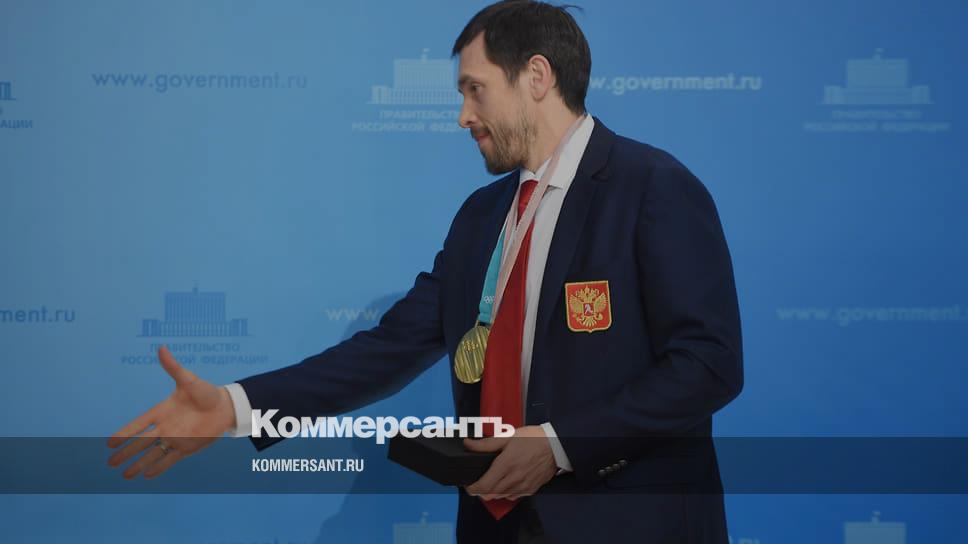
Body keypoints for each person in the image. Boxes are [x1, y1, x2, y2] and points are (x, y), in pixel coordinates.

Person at [107, 1, 743, 542]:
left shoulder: (653, 187)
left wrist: (557, 445)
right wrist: (234, 407)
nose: (462, 115)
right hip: (494, 524)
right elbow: (388, 348)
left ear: (536, 76)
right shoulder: (481, 216)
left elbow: (708, 364)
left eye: (475, 89)